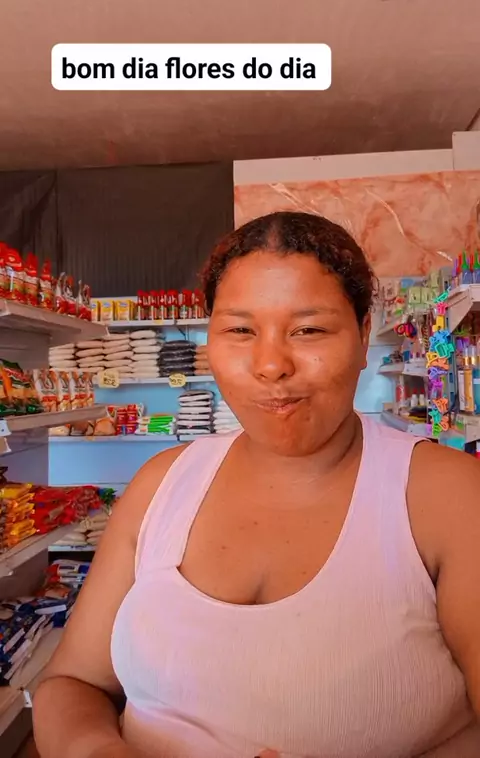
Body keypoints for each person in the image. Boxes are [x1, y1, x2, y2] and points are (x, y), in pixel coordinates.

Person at [33, 211, 480, 758]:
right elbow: (73, 682)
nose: (271, 365)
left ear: (364, 335)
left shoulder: (448, 495)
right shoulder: (161, 484)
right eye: (240, 331)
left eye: (308, 330)